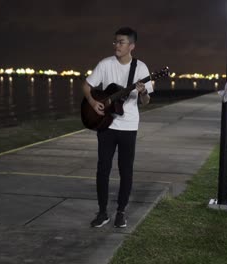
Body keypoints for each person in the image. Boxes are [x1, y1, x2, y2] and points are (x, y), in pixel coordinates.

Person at [82, 27, 153, 228]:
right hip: (106, 125)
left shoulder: (141, 68)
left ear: (131, 46)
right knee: (102, 169)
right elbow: (87, 86)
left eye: (121, 42)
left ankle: (121, 211)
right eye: (115, 42)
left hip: (129, 126)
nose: (116, 45)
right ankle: (102, 212)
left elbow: (147, 101)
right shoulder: (105, 64)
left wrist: (142, 93)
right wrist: (92, 102)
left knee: (126, 170)